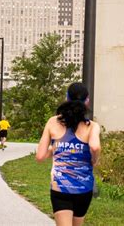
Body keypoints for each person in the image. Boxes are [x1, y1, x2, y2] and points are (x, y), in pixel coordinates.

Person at [36, 82, 101, 226]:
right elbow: (95, 147)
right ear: (87, 101)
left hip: (60, 187)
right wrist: (94, 160)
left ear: (66, 98)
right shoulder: (92, 126)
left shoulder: (53, 122)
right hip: (83, 188)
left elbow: (40, 156)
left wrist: (53, 149)